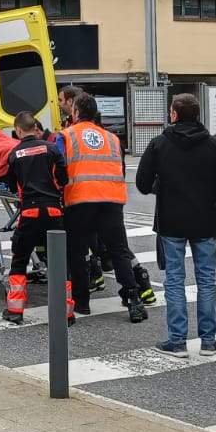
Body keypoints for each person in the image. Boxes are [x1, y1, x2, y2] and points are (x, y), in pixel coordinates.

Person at [136, 93, 216, 358]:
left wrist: (163, 185)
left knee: (174, 280)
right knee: (206, 280)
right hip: (204, 222)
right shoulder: (214, 146)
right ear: (197, 115)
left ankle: (177, 341)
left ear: (174, 114)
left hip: (171, 222)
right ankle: (208, 341)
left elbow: (142, 183)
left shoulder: (159, 144)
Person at [58, 93, 147, 323]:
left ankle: (82, 302)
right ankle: (133, 300)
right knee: (119, 251)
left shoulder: (67, 136)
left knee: (77, 252)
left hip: (80, 201)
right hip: (111, 201)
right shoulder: (112, 138)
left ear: (76, 112)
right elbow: (120, 169)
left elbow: (57, 169)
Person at [2, 111, 72, 326]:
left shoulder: (14, 154)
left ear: (19, 130)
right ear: (35, 128)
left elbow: (11, 185)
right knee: (59, 262)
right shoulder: (51, 148)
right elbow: (64, 178)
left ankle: (15, 311)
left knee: (19, 260)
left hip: (29, 212)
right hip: (54, 211)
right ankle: (66, 313)